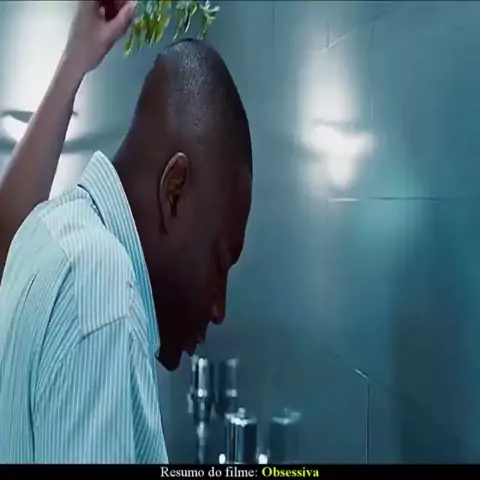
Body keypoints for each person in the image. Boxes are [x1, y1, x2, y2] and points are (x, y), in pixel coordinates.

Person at [0, 0, 252, 465]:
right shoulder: (101, 291)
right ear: (173, 191)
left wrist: (76, 58)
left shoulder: (47, 231)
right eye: (219, 262)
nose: (219, 307)